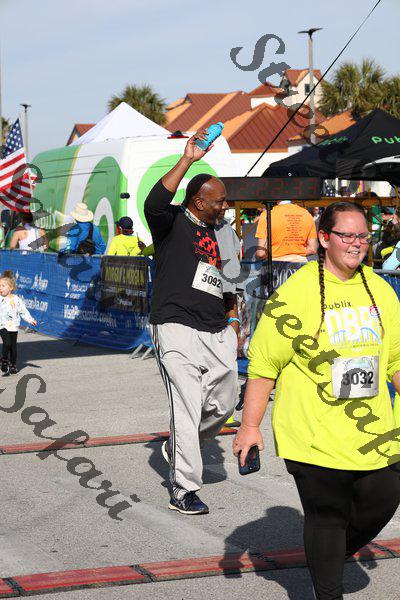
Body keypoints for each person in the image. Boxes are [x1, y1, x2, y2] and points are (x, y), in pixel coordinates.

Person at [233, 201, 400, 600]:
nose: (357, 244)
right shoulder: (296, 292)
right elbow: (264, 365)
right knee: (327, 516)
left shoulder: (380, 289)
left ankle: (326, 556)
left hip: (372, 429)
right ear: (324, 238)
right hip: (312, 433)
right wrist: (250, 426)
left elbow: (394, 359)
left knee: (384, 498)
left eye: (363, 236)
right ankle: (327, 584)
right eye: (347, 235)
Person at [144, 129, 241, 516]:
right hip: (175, 325)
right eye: (219, 201)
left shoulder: (224, 232)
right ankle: (184, 488)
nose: (225, 206)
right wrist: (188, 158)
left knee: (225, 402)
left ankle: (178, 444)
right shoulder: (169, 223)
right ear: (199, 202)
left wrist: (234, 321)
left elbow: (230, 280)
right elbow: (154, 201)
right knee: (186, 404)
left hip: (217, 328)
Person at [0, 270, 37, 376]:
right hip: (2, 325)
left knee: (13, 348)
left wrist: (30, 320)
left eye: (3, 286)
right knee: (7, 343)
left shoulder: (17, 300)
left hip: (13, 326)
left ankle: (13, 365)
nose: (0, 288)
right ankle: (4, 360)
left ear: (11, 287)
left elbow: (23, 312)